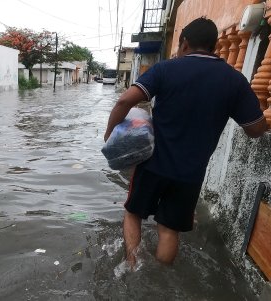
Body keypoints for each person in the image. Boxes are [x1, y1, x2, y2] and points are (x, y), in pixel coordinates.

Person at [103, 17, 268, 266]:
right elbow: (255, 130)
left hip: (152, 164)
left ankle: (132, 267)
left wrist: (110, 135)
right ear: (213, 46)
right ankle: (160, 277)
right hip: (191, 174)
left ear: (185, 44)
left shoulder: (166, 69)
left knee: (133, 213)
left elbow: (124, 101)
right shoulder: (234, 80)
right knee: (169, 230)